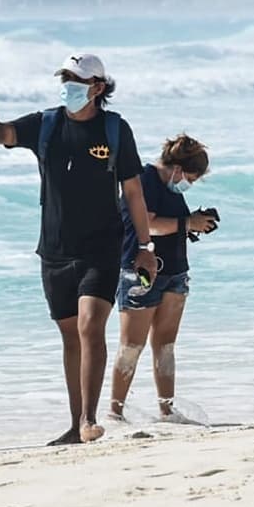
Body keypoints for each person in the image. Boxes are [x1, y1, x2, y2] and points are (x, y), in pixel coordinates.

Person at [0, 53, 157, 445]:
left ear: (98, 88)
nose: (69, 85)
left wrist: (144, 245)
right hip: (54, 249)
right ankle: (76, 425)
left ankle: (90, 419)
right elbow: (0, 134)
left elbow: (134, 191)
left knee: (91, 327)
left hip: (102, 248)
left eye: (77, 79)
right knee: (71, 337)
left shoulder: (114, 129)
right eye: (66, 78)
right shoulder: (46, 124)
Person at [108, 134, 216, 423]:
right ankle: (115, 411)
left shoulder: (172, 187)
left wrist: (193, 224)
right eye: (190, 179)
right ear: (178, 169)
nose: (188, 185)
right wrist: (186, 223)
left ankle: (166, 410)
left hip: (175, 271)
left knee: (165, 344)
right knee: (132, 344)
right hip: (140, 270)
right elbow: (149, 225)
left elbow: (171, 224)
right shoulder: (145, 179)